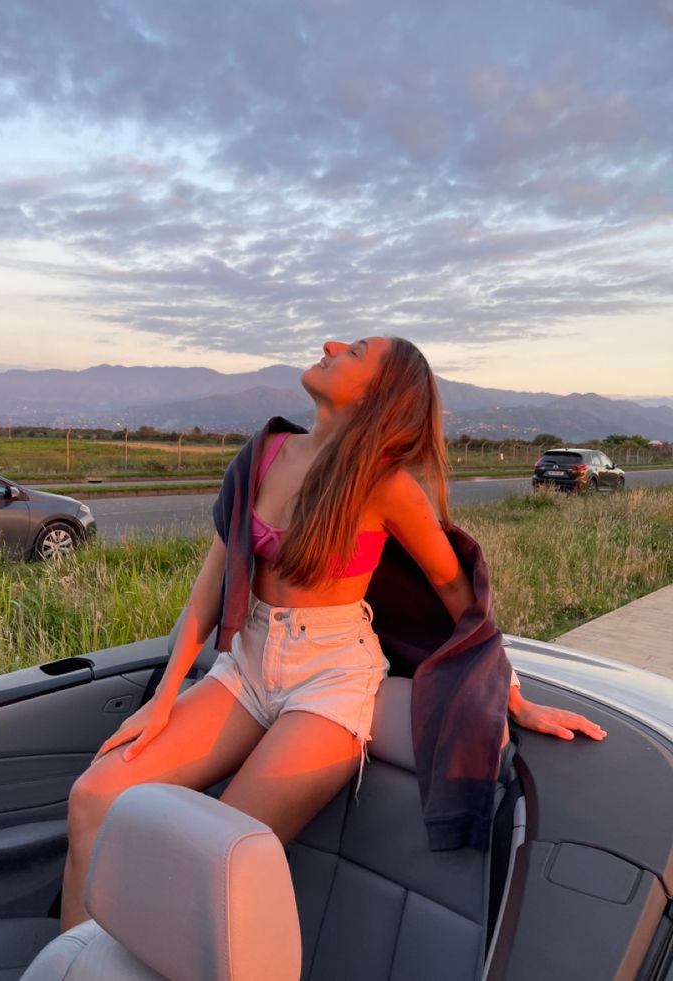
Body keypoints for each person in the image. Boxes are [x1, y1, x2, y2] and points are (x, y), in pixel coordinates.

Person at [60, 336, 606, 931]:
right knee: (95, 796)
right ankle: (76, 965)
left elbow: (458, 595)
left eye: (355, 350)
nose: (331, 344)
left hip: (331, 679)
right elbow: (209, 591)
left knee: (211, 855)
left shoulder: (387, 486)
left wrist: (511, 693)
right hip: (244, 667)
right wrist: (162, 702)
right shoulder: (263, 453)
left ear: (376, 394)